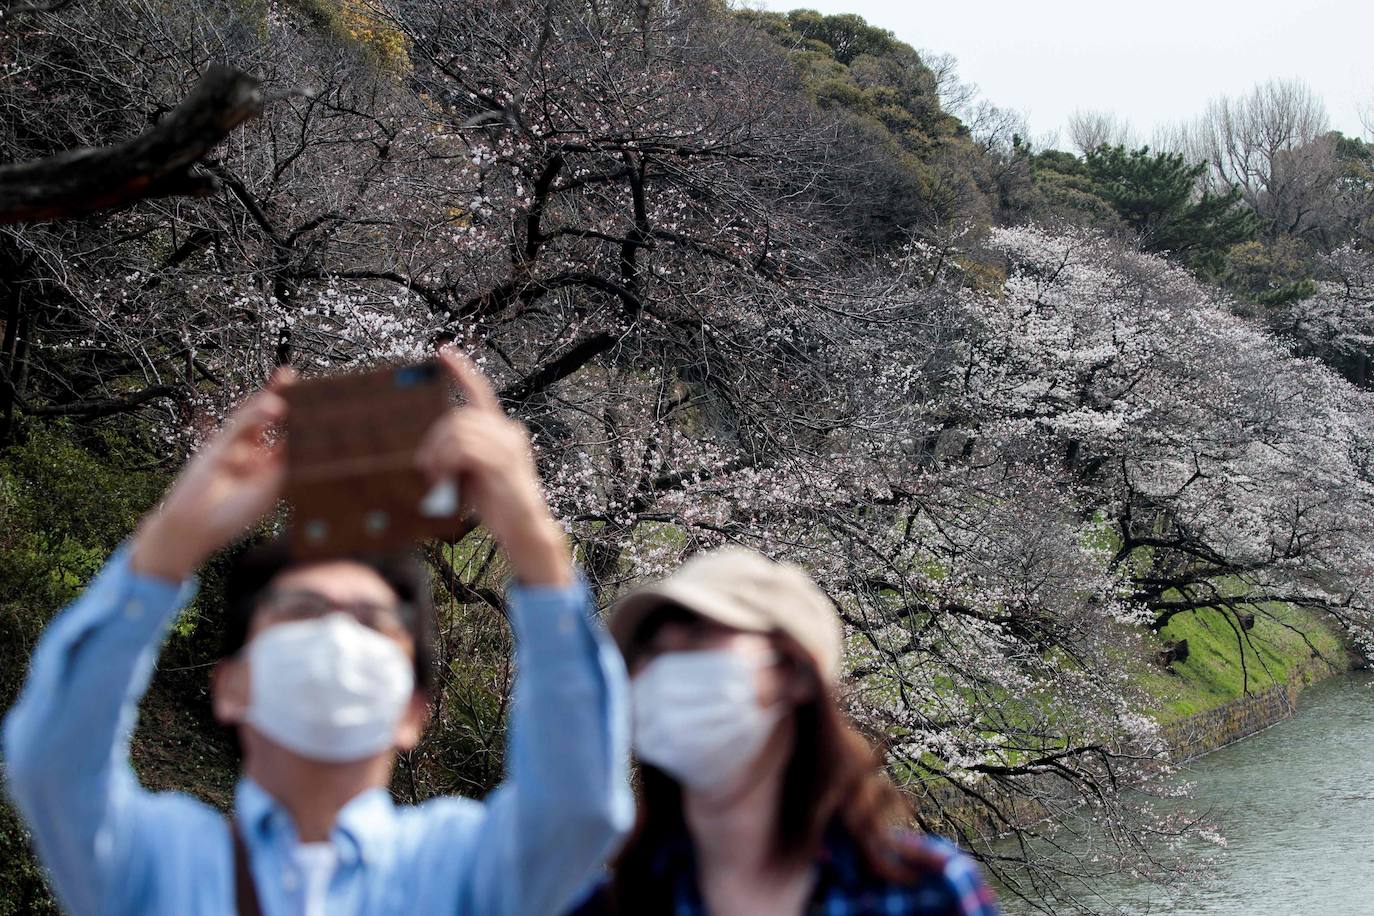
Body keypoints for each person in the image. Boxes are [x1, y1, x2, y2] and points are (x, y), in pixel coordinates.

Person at [2, 349, 632, 916]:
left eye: (371, 621)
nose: (336, 631)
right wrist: (169, 542)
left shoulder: (464, 870)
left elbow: (580, 811)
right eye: (300, 611)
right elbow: (54, 766)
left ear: (414, 710)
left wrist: (535, 543)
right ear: (231, 687)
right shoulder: (158, 864)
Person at [571, 547, 1000, 916]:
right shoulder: (609, 906)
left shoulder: (924, 892)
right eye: (650, 651)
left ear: (795, 672)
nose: (665, 673)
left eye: (700, 638)